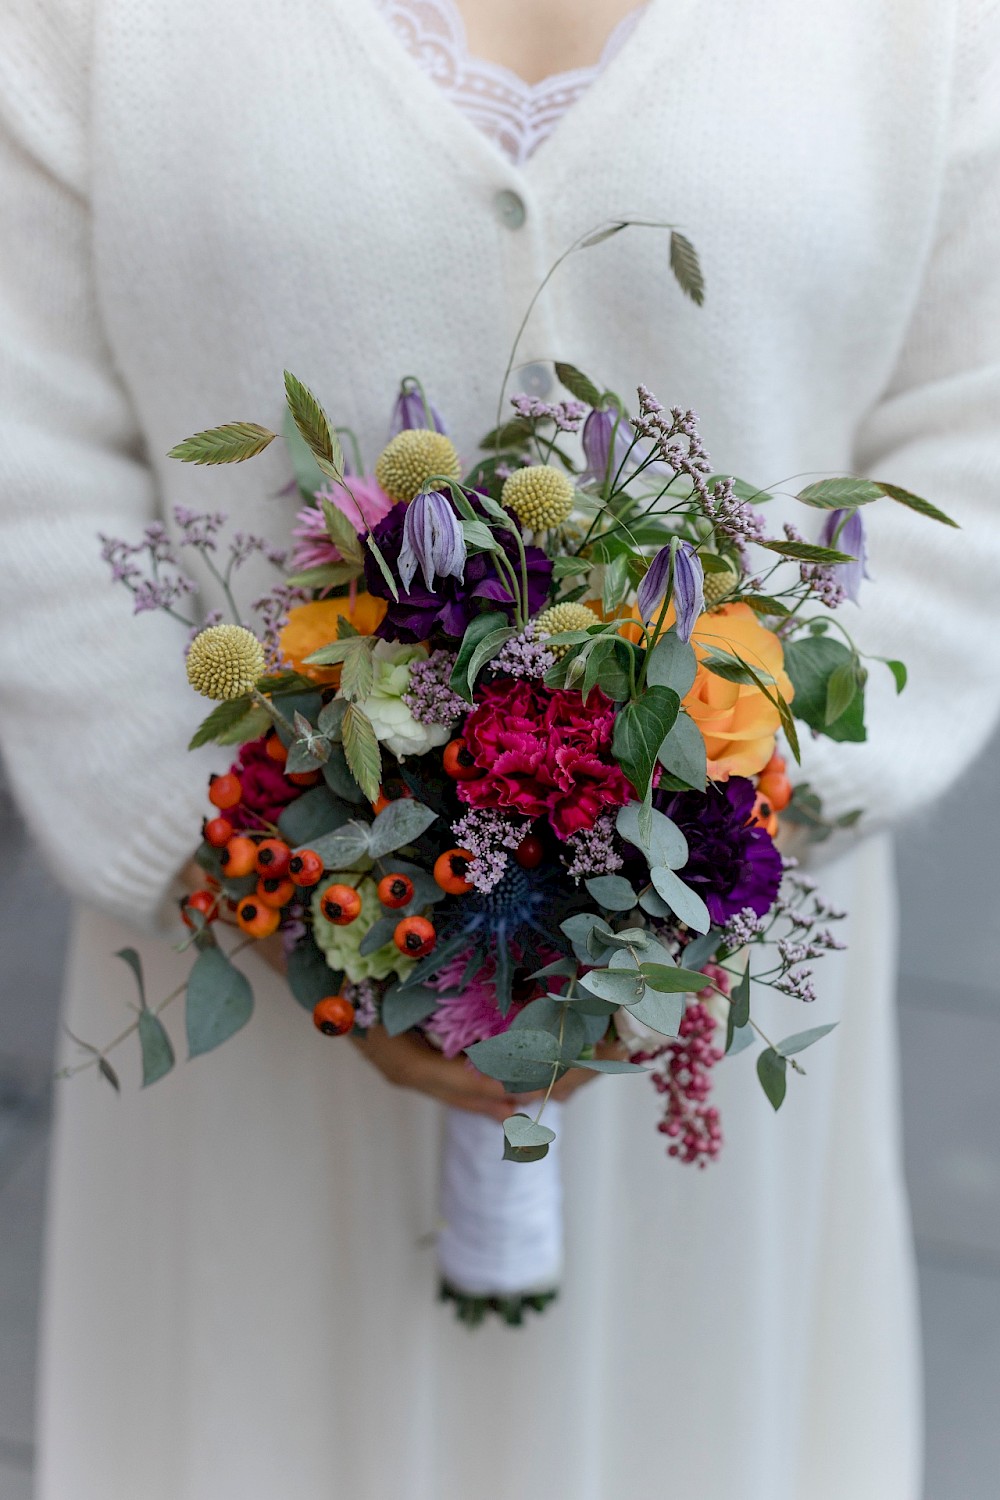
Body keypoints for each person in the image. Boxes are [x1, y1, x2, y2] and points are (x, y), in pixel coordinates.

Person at [1, 0, 998, 1495]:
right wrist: (260, 874)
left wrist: (729, 837)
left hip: (713, 973)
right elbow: (30, 452)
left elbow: (972, 431)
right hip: (256, 977)